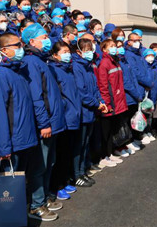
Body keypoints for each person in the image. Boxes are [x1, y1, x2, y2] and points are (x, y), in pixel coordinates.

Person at [0, 34, 58, 221]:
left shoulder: (19, 72)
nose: (21, 48)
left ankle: (24, 212)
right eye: (17, 45)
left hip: (27, 137)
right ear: (4, 50)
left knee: (22, 181)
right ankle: (9, 218)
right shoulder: (0, 76)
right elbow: (0, 115)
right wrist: (4, 146)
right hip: (13, 141)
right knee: (8, 186)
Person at [21, 23, 67, 219]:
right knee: (39, 165)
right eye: (44, 37)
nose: (48, 40)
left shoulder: (42, 61)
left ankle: (45, 196)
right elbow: (36, 96)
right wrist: (44, 123)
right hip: (45, 124)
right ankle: (36, 204)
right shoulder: (31, 62)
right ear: (32, 41)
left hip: (54, 122)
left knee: (50, 162)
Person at [48, 41, 82, 199]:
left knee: (67, 153)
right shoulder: (53, 70)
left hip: (73, 116)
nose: (68, 54)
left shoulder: (68, 69)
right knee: (60, 155)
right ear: (55, 55)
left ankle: (64, 180)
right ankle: (57, 186)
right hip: (64, 118)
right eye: (64, 52)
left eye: (69, 51)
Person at [72, 38, 107, 185]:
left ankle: (83, 171)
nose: (90, 53)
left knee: (85, 143)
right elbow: (82, 92)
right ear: (79, 52)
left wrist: (101, 101)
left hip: (91, 111)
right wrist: (95, 104)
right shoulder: (77, 67)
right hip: (83, 111)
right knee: (79, 145)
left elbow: (95, 87)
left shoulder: (89, 66)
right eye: (86, 50)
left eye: (91, 50)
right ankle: (77, 175)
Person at [96, 39, 128, 167]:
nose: (114, 48)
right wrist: (107, 103)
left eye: (115, 46)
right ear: (104, 49)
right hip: (110, 103)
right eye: (111, 46)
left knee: (112, 130)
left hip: (117, 101)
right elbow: (103, 86)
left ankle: (110, 153)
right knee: (106, 131)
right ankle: (104, 156)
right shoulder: (104, 63)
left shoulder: (115, 61)